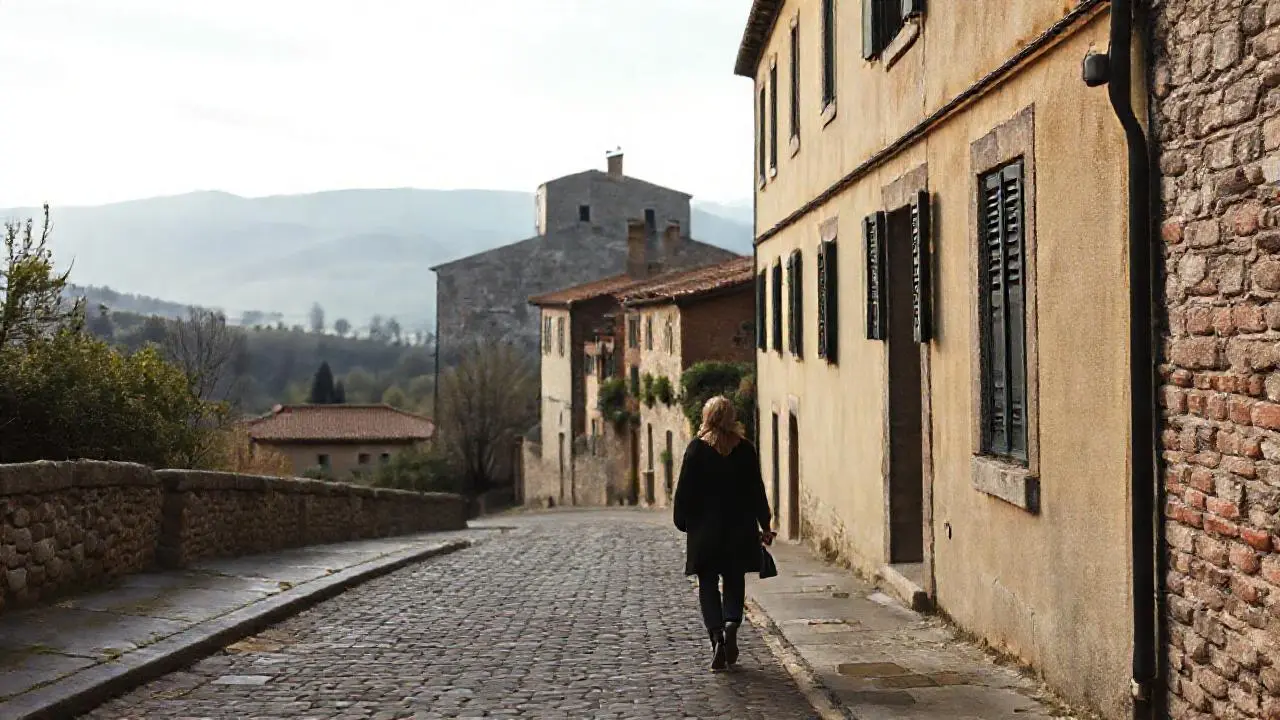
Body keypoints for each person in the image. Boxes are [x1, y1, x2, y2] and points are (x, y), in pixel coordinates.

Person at [673, 395, 775, 671]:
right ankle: (731, 622)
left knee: (707, 583)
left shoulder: (696, 450)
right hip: (739, 531)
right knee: (734, 579)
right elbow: (757, 491)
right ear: (732, 418)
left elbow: (683, 493)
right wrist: (765, 524)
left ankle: (717, 634)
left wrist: (682, 522)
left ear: (706, 418)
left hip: (704, 533)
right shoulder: (745, 450)